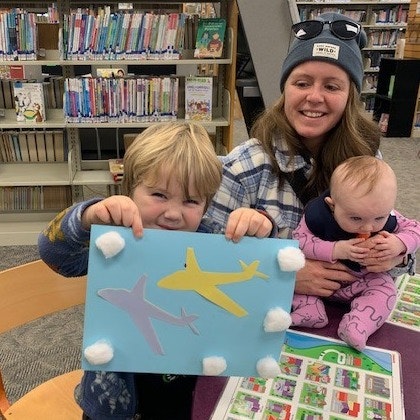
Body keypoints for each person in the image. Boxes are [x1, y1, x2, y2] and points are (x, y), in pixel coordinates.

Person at [38, 122, 272, 419]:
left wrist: (259, 226)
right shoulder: (114, 238)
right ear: (131, 188)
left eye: (191, 200)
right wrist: (88, 217)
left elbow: (257, 289)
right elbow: (54, 253)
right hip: (114, 403)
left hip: (189, 397)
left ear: (207, 204)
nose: (173, 213)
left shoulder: (214, 241)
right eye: (159, 195)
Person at [200, 12, 415, 297]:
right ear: (285, 89)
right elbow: (204, 259)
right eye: (301, 83)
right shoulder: (247, 166)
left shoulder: (367, 158)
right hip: (274, 322)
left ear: (350, 96)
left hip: (347, 320)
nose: (314, 97)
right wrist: (277, 277)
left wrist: (396, 256)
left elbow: (392, 235)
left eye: (331, 86)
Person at [291, 156, 420, 350]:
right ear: (332, 205)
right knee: (289, 279)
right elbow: (299, 241)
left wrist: (399, 244)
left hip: (363, 280)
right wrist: (336, 249)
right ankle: (310, 310)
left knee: (385, 290)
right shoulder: (317, 216)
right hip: (312, 281)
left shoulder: (385, 213)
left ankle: (359, 324)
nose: (368, 227)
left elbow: (415, 229)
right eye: (355, 218)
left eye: (379, 218)